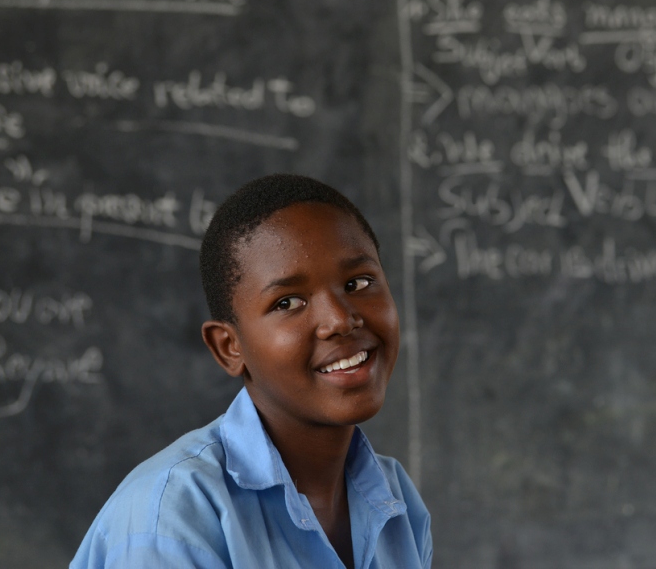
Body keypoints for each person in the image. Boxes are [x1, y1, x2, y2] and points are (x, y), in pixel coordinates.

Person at [71, 174, 432, 569]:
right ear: (230, 347)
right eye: (287, 302)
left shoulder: (396, 502)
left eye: (358, 282)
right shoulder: (174, 515)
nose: (340, 321)